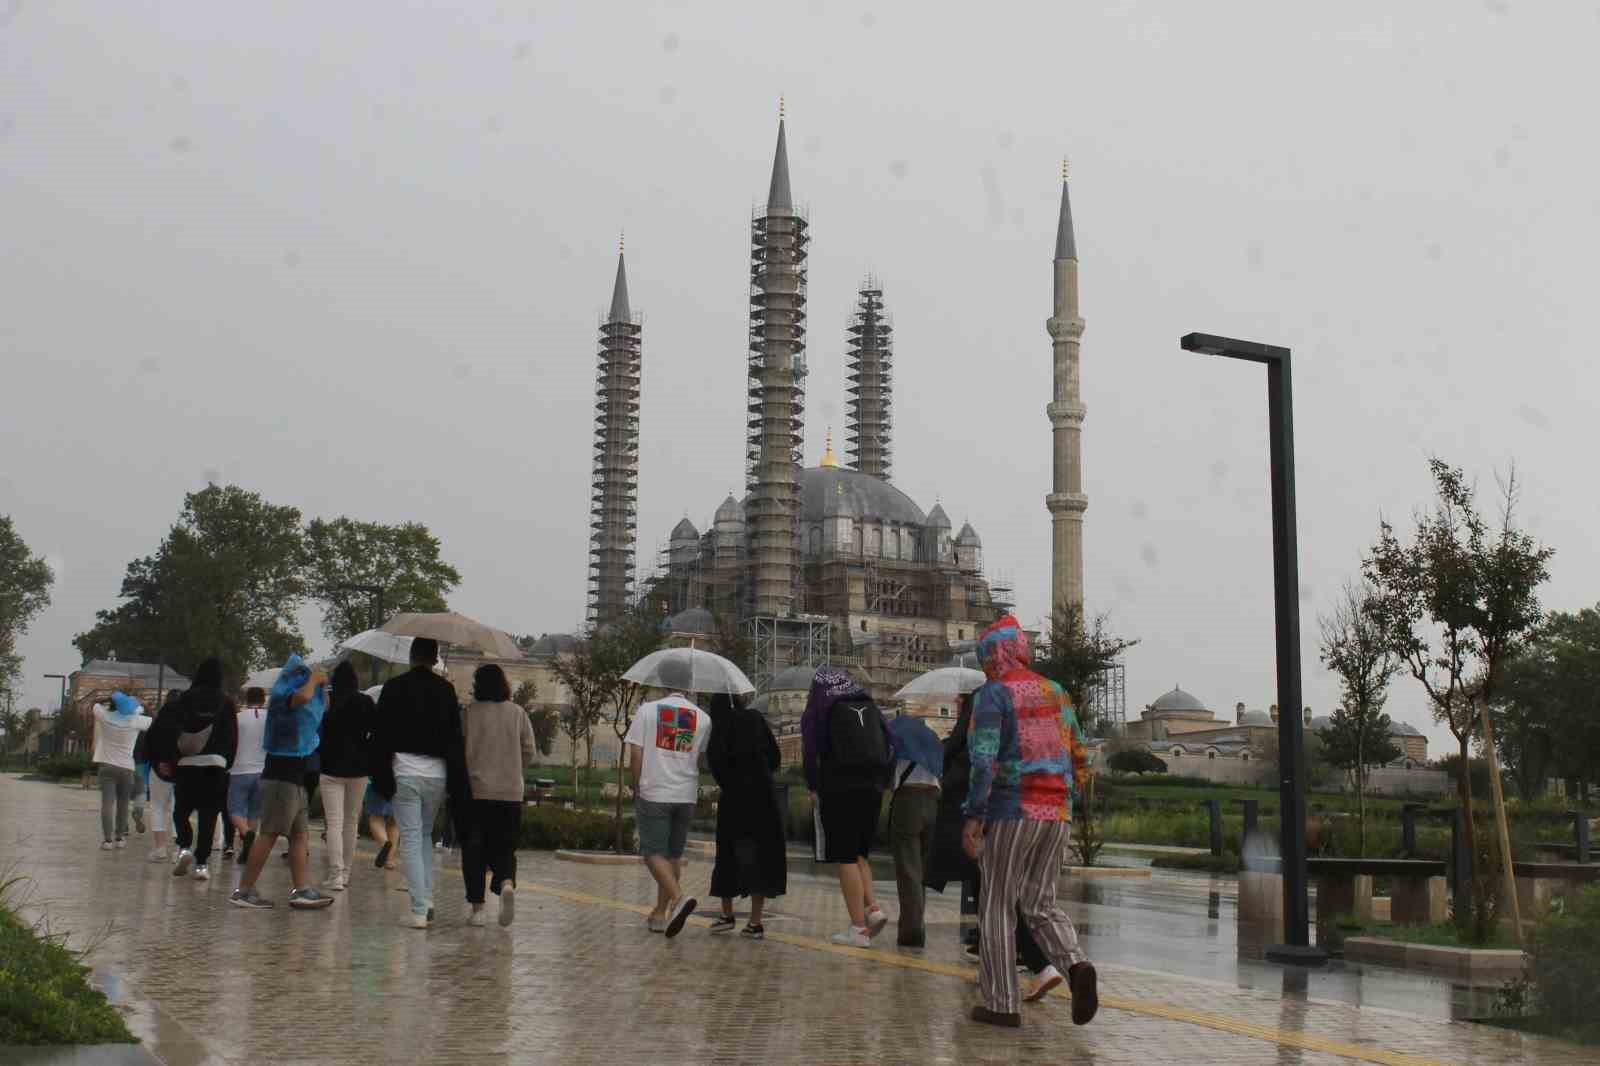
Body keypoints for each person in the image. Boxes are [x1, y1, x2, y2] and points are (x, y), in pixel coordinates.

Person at [962, 614, 1098, 1028]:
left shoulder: (993, 694)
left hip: (1011, 810)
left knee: (997, 906)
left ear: (991, 656)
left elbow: (983, 760)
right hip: (1057, 813)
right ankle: (1075, 966)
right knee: (1041, 902)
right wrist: (1068, 798)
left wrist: (974, 814)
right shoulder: (1056, 691)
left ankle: (1002, 1004)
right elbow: (1081, 756)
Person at [927, 693, 1058, 1000]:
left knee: (993, 889)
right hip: (1026, 806)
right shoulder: (1029, 700)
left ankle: (1038, 966)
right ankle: (998, 963)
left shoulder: (986, 698)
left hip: (983, 808)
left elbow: (969, 753)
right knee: (991, 887)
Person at [373, 638, 467, 930]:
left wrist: (381, 776)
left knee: (411, 839)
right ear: (436, 657)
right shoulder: (446, 690)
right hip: (437, 775)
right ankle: (426, 898)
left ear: (412, 656)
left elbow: (381, 734)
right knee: (424, 835)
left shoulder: (394, 687)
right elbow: (455, 737)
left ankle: (418, 908)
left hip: (405, 770)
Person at [229, 655, 335, 910]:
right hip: (281, 777)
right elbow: (302, 698)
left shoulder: (304, 694)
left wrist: (322, 685)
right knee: (269, 833)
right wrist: (313, 680)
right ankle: (244, 890)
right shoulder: (282, 698)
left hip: (296, 777)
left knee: (299, 835)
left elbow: (322, 706)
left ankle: (301, 889)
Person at [800, 667, 892, 948]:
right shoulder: (870, 705)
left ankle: (858, 929)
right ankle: (873, 909)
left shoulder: (822, 710)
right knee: (860, 853)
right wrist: (884, 782)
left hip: (839, 787)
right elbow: (890, 743)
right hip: (873, 789)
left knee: (845, 856)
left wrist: (813, 786)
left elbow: (810, 751)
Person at [624, 668, 710, 938]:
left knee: (651, 852)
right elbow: (701, 761)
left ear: (662, 685)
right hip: (685, 795)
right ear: (689, 687)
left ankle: (678, 898)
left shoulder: (647, 711)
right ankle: (660, 915)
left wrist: (636, 785)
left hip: (655, 791)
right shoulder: (704, 719)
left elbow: (636, 753)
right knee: (672, 855)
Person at [704, 692, 785, 940]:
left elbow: (715, 764)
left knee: (728, 855)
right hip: (764, 800)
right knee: (759, 857)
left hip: (735, 801)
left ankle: (727, 916)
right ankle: (755, 923)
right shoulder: (755, 719)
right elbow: (775, 758)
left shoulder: (719, 728)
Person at [459, 664, 534, 927]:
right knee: (505, 846)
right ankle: (505, 883)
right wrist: (514, 770)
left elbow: (460, 749)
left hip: (477, 792)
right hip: (510, 792)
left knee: (474, 850)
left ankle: (478, 909)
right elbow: (529, 750)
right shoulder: (518, 713)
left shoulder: (469, 713)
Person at [160, 658, 238, 882]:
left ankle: (184, 846)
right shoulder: (226, 703)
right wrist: (227, 762)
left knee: (181, 812)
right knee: (209, 816)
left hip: (187, 765)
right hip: (216, 766)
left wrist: (169, 760)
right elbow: (232, 737)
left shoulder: (185, 699)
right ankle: (202, 864)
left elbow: (170, 731)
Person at [887, 712, 943, 948]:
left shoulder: (899, 744)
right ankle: (916, 924)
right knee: (920, 868)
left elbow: (888, 780)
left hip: (907, 801)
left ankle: (911, 932)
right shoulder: (932, 746)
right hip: (933, 802)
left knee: (908, 869)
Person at [318, 662, 375, 892]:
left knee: (334, 822)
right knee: (351, 822)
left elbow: (318, 729)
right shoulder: (366, 702)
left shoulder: (328, 701)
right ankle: (347, 872)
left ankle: (335, 873)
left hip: (331, 767)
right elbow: (377, 730)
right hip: (359, 769)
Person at [90, 692, 152, 851]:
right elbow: (155, 719)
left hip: (106, 767)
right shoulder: (136, 721)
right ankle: (120, 838)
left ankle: (108, 841)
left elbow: (94, 702)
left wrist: (109, 698)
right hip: (127, 768)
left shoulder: (105, 716)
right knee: (123, 804)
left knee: (107, 804)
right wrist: (144, 704)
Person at [228, 686, 268, 863]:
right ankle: (249, 849)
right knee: (254, 813)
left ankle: (246, 833)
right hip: (263, 770)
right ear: (263, 700)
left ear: (246, 699)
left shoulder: (237, 718)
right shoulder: (270, 719)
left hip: (239, 769)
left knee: (234, 810)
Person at [365, 783, 400, 870]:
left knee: (376, 819)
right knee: (394, 823)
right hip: (402, 782)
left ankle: (385, 843)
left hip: (379, 780)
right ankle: (389, 860)